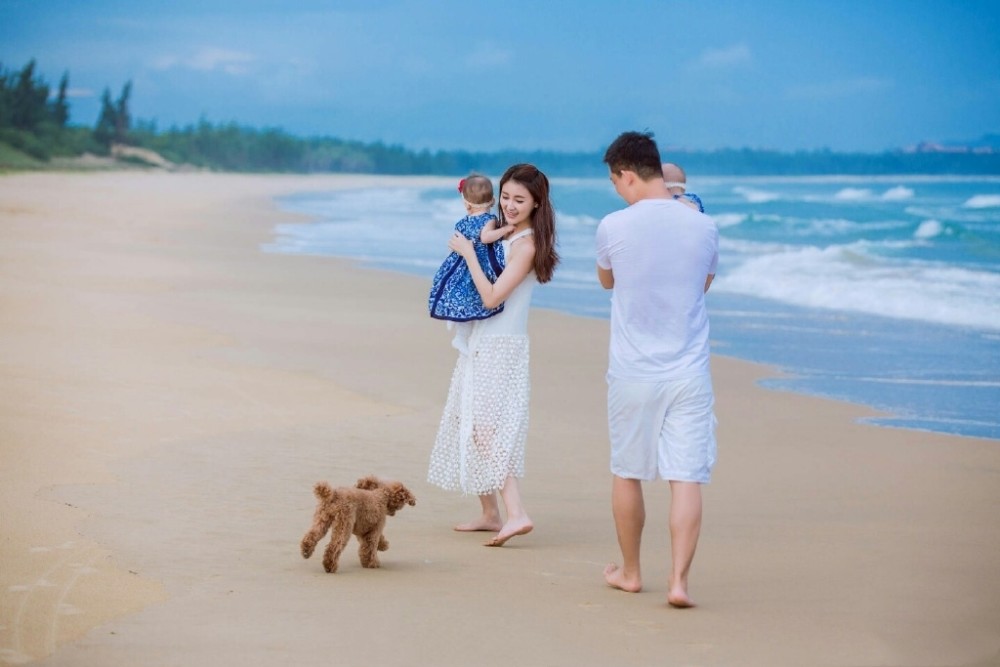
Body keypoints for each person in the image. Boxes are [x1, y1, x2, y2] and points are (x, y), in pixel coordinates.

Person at [596, 131, 719, 607]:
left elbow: (607, 280)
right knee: (686, 477)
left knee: (628, 471)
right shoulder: (703, 226)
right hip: (689, 369)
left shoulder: (613, 225)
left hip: (632, 370)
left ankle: (631, 573)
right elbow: (702, 285)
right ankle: (679, 582)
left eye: (615, 182)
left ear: (627, 175)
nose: (617, 191)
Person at [427, 163, 559, 547]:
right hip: (483, 341)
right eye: (506, 197)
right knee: (467, 420)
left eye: (520, 200)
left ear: (537, 203)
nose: (510, 206)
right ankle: (490, 514)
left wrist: (469, 252)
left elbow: (491, 297)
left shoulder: (526, 245)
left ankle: (516, 513)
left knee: (485, 429)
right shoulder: (504, 232)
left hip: (501, 346)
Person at [428, 173, 516, 322]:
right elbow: (486, 237)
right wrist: (505, 230)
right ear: (493, 201)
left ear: (467, 205)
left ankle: (460, 316)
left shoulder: (462, 222)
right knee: (476, 289)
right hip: (478, 261)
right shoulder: (488, 219)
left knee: (460, 288)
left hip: (461, 261)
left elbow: (456, 242)